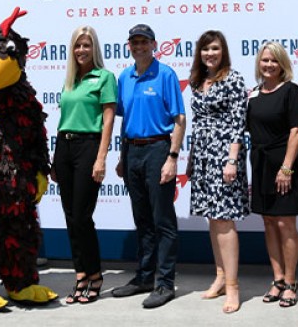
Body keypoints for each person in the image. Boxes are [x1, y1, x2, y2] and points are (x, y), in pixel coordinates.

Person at [112, 24, 186, 309]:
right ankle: (144, 277)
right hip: (132, 151)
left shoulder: (165, 74)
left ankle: (165, 283)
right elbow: (124, 119)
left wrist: (172, 157)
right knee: (142, 218)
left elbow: (179, 119)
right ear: (128, 46)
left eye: (144, 42)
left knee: (162, 220)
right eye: (134, 42)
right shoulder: (124, 77)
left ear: (154, 44)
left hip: (158, 149)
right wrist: (121, 156)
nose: (139, 46)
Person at [52, 26, 117, 304]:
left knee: (81, 215)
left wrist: (101, 157)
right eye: (78, 45)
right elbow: (64, 118)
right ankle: (80, 274)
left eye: (86, 45)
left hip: (89, 147)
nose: (81, 50)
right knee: (70, 215)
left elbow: (108, 120)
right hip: (64, 147)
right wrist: (56, 158)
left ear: (95, 48)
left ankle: (95, 274)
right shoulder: (70, 80)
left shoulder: (104, 77)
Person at [187, 30, 249, 314]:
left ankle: (234, 286)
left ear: (223, 51)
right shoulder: (197, 81)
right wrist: (191, 159)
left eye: (215, 49)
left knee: (224, 219)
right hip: (202, 155)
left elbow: (238, 122)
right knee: (213, 219)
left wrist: (232, 160)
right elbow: (196, 121)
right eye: (205, 49)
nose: (209, 54)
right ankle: (221, 277)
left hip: (225, 154)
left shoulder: (233, 79)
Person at [247, 42, 298, 308]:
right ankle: (278, 279)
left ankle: (292, 282)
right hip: (260, 163)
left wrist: (286, 168)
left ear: (283, 63)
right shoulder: (253, 95)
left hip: (285, 164)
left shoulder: (291, 91)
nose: (269, 65)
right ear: (258, 64)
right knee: (269, 222)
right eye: (265, 61)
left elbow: (297, 131)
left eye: (274, 61)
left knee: (286, 224)